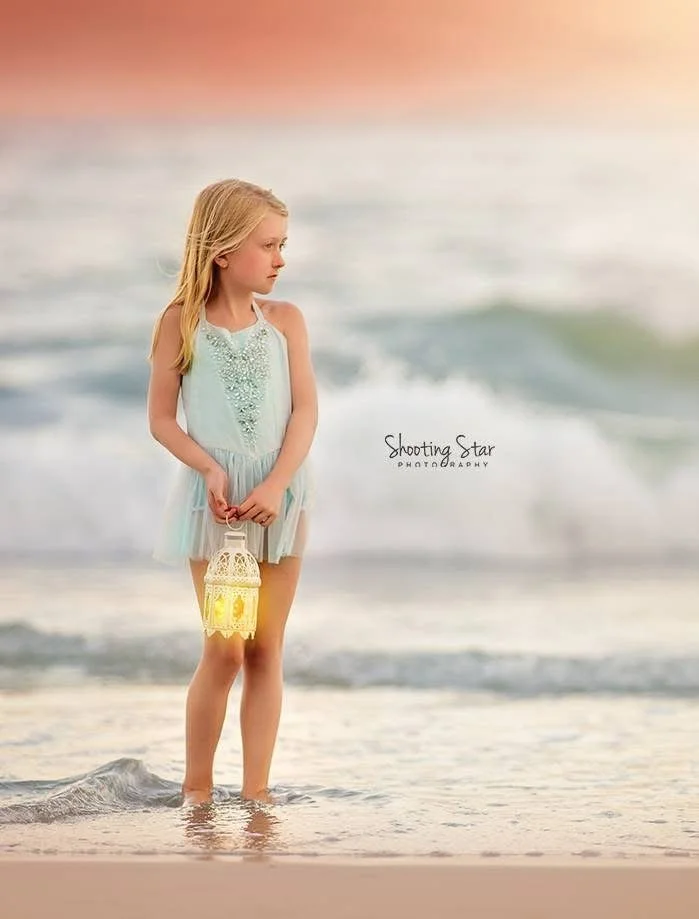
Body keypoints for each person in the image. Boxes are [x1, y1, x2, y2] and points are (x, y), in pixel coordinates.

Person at [146, 179, 317, 806]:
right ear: (223, 252)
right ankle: (197, 791)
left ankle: (257, 793)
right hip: (215, 511)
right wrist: (210, 471)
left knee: (267, 648)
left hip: (282, 502)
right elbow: (163, 419)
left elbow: (304, 415)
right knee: (225, 648)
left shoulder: (287, 323)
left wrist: (276, 484)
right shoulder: (179, 324)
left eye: (283, 245)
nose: (280, 258)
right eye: (268, 245)